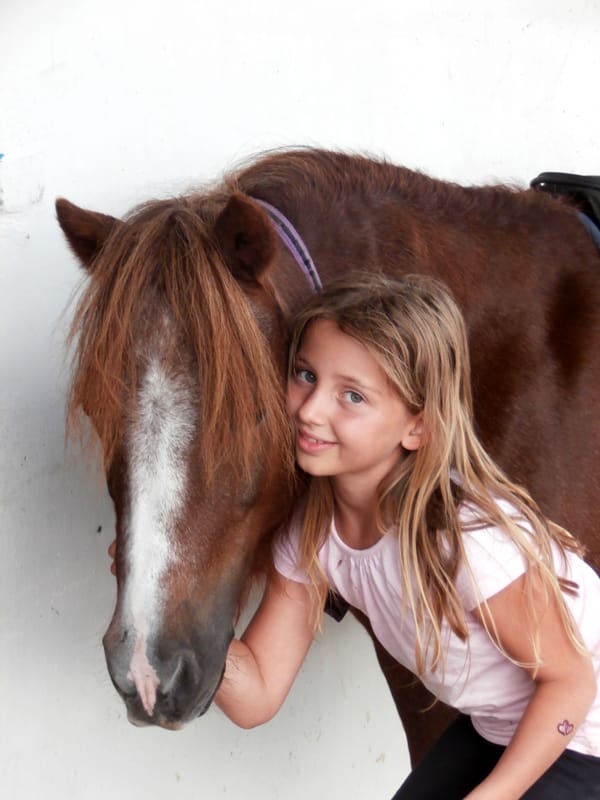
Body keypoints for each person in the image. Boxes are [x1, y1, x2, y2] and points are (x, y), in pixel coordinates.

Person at [110, 274, 600, 798]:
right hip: (498, 726)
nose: (311, 409)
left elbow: (572, 681)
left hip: (582, 728)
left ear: (418, 427)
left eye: (352, 396)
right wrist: (175, 604)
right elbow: (258, 698)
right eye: (305, 374)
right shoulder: (312, 532)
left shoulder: (463, 540)